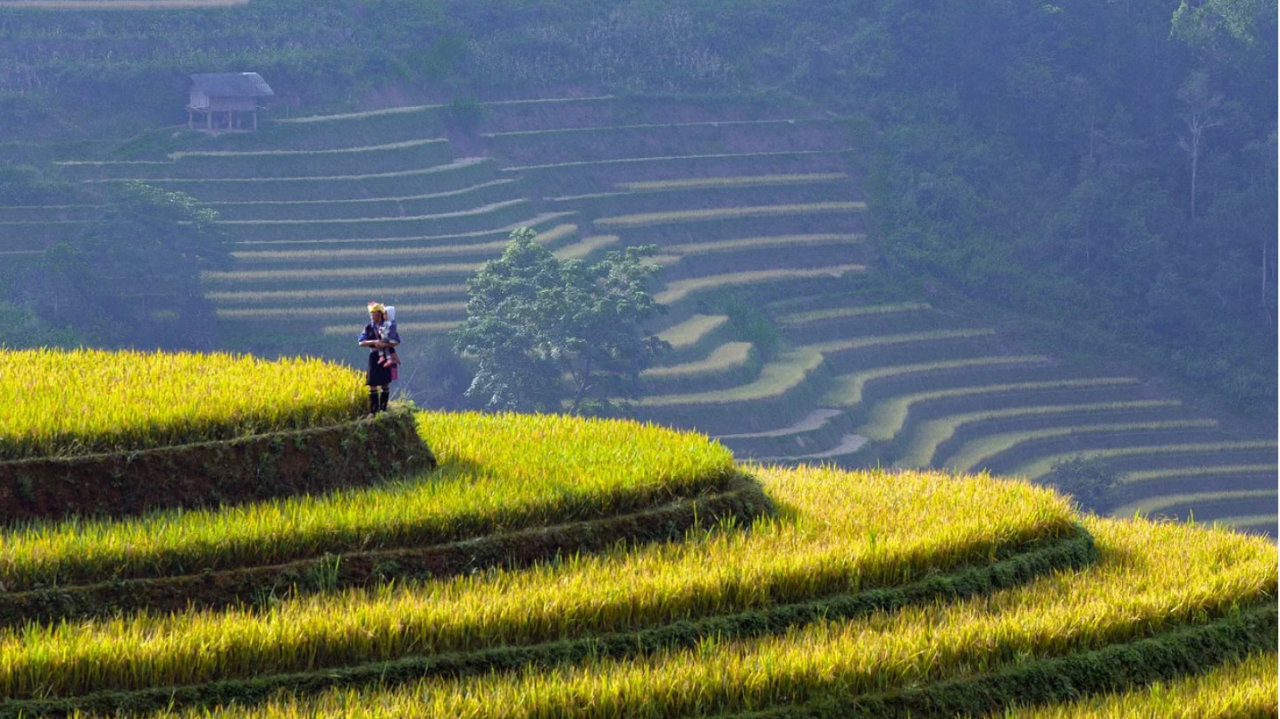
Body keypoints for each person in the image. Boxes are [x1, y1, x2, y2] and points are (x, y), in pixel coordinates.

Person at [358, 301, 400, 414]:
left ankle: (383, 409)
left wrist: (384, 344)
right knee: (372, 383)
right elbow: (361, 342)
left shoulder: (387, 325)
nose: (372, 316)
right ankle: (373, 410)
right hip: (374, 355)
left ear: (380, 314)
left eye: (374, 313)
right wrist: (374, 342)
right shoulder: (368, 328)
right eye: (371, 314)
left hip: (385, 354)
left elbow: (396, 341)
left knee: (385, 382)